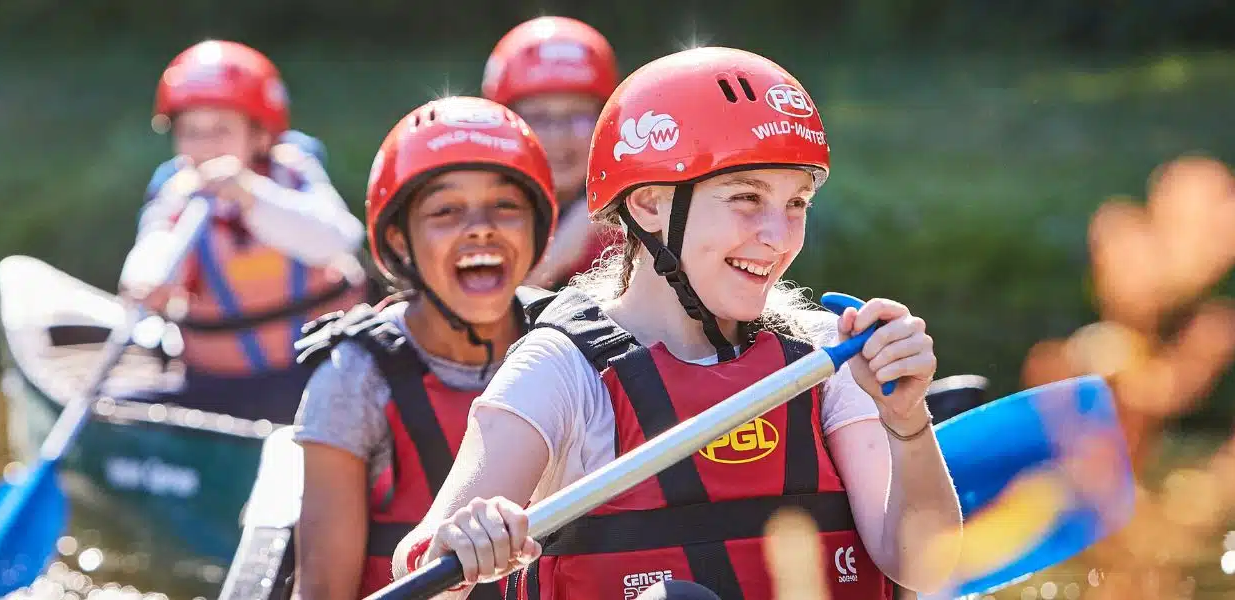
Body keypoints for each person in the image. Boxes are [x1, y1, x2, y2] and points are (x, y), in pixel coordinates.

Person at [390, 48, 966, 599]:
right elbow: (422, 568)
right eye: (746, 197)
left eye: (798, 203)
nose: (779, 235)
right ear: (648, 206)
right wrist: (461, 543)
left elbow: (925, 566)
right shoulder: (560, 371)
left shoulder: (825, 357)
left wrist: (907, 421)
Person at [289, 96, 559, 600]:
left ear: (537, 228)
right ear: (399, 239)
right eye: (446, 210)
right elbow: (322, 592)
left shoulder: (575, 343)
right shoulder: (353, 377)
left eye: (506, 206)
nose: (480, 227)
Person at [119, 40, 368, 424]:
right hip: (216, 388)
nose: (204, 147)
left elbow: (340, 239)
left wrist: (251, 195)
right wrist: (144, 281)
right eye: (190, 132)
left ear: (260, 135)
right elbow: (151, 253)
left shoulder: (294, 174)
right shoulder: (177, 191)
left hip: (320, 374)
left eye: (220, 130)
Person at [481, 16, 624, 290]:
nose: (559, 137)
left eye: (579, 116)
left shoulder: (636, 222)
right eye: (539, 118)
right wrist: (562, 251)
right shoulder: (473, 214)